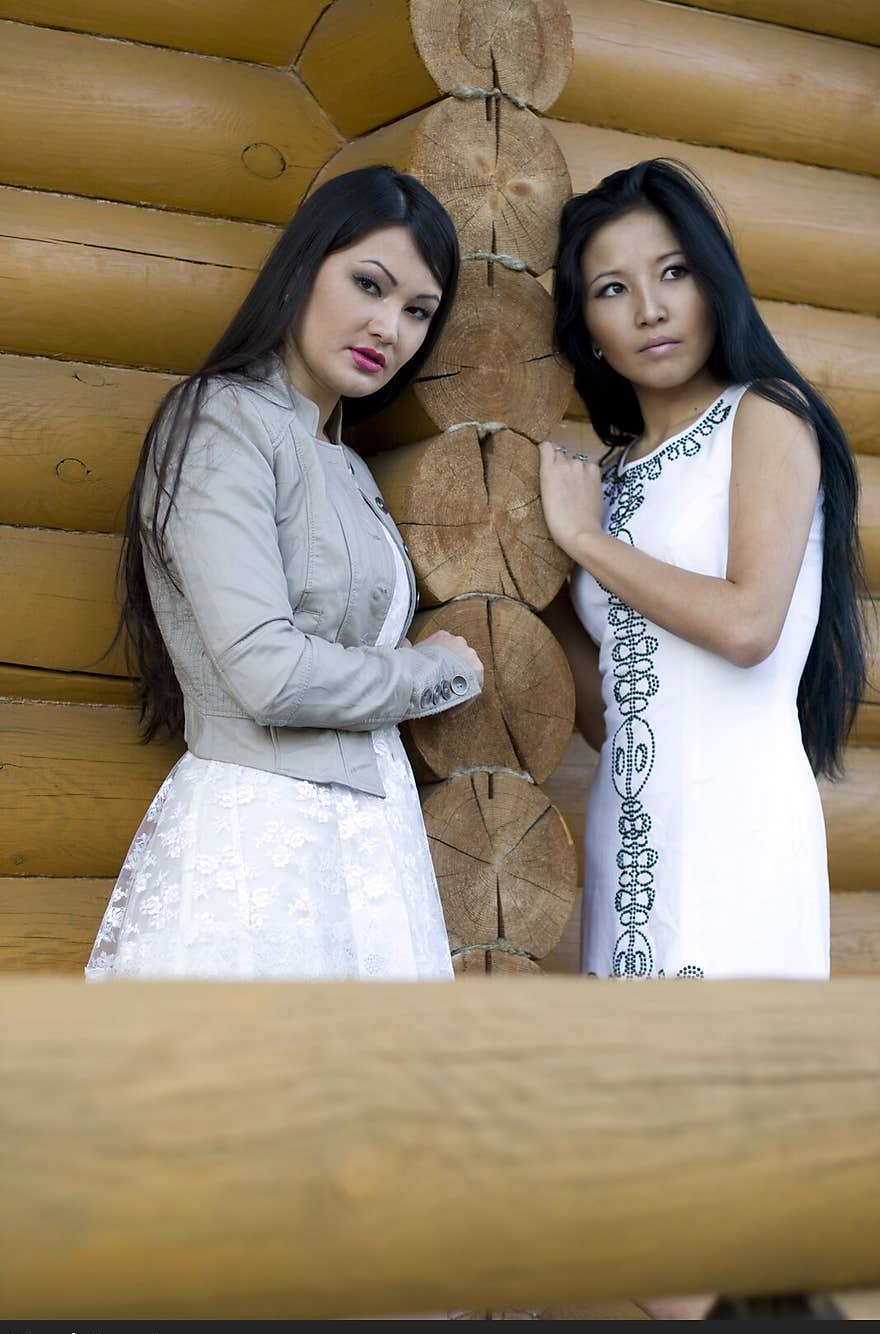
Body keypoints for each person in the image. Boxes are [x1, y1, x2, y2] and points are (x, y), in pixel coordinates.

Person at [85, 165, 484, 982]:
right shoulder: (220, 422)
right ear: (304, 267)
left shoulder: (346, 464)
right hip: (261, 844)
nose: (389, 327)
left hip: (373, 848)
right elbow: (266, 670)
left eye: (418, 312)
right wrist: (431, 673)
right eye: (368, 285)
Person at [539, 158, 868, 985]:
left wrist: (586, 545)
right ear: (588, 331)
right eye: (612, 289)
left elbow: (747, 626)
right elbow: (611, 714)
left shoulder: (765, 416)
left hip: (741, 838)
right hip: (635, 834)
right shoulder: (607, 482)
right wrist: (538, 594)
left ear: (713, 283)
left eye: (673, 272)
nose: (650, 309)